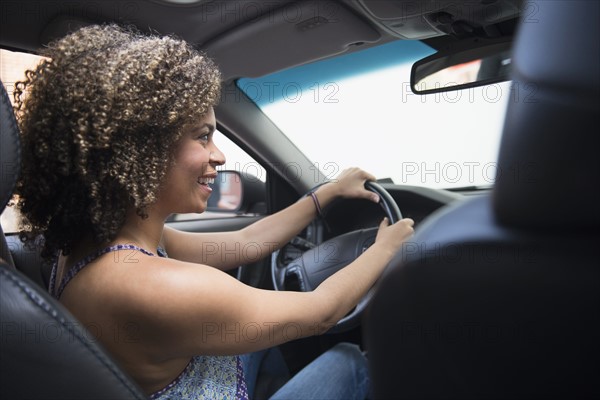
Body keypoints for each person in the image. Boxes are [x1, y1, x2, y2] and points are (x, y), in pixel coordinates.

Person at [13, 24, 414, 399]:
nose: (219, 155)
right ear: (141, 149)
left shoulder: (105, 238)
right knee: (348, 360)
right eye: (203, 137)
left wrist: (322, 195)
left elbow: (245, 241)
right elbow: (322, 314)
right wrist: (385, 249)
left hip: (204, 373)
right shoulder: (152, 288)